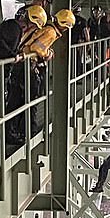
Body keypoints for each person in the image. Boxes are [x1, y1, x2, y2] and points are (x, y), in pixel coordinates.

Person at [0, 5, 47, 161]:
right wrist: (13, 56)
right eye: (35, 25)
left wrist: (14, 55)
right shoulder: (13, 27)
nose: (34, 29)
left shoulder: (12, 26)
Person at [7, 8, 76, 139]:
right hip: (26, 65)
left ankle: (16, 129)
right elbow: (36, 48)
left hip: (22, 63)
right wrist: (47, 53)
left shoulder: (48, 28)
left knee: (18, 97)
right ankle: (25, 130)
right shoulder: (51, 32)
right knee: (29, 98)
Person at [72, 5, 90, 81]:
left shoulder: (69, 20)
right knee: (78, 59)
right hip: (79, 43)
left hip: (70, 43)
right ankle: (77, 76)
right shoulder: (83, 21)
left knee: (72, 59)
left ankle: (71, 75)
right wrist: (88, 43)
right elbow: (86, 33)